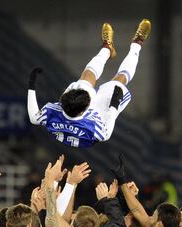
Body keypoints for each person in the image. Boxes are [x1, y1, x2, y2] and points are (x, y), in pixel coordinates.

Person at [27, 20, 151, 148]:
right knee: (120, 79)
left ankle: (107, 49)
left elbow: (33, 118)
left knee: (86, 76)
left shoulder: (53, 113)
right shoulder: (94, 129)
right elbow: (106, 134)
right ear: (84, 110)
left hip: (76, 117)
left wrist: (31, 84)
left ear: (62, 103)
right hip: (99, 115)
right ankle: (137, 43)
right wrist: (114, 105)